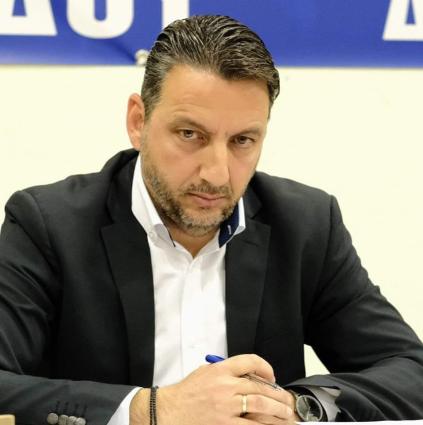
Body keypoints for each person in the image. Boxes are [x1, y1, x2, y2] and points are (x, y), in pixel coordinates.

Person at [0, 15, 422, 425]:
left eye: (242, 141)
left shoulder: (306, 226)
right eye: (190, 135)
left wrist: (298, 406)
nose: (217, 174)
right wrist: (151, 410)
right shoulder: (48, 225)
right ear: (138, 121)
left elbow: (410, 371)